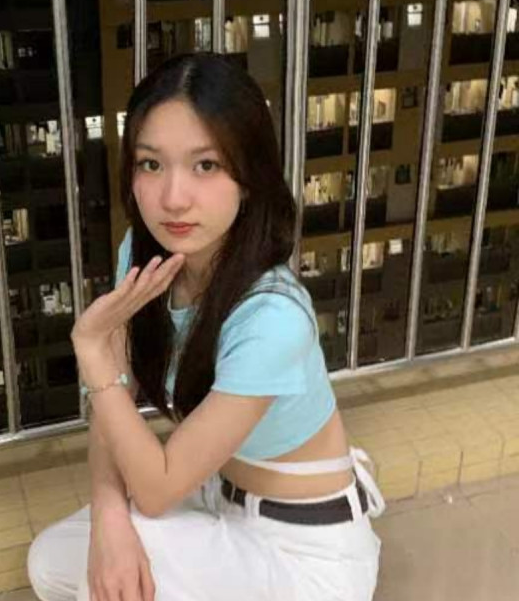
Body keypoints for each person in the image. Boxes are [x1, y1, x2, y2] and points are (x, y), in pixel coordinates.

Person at [27, 52, 384, 601]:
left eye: (206, 165)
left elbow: (156, 489)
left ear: (249, 177)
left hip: (304, 551)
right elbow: (112, 409)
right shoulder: (144, 257)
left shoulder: (273, 316)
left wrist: (93, 353)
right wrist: (109, 519)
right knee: (52, 561)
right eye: (151, 164)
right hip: (216, 498)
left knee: (112, 583)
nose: (173, 198)